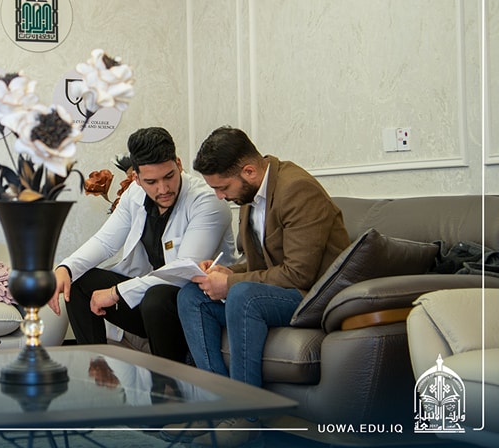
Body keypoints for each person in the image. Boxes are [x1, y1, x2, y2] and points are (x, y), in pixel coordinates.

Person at [176, 126, 349, 446]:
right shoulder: (250, 192)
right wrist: (225, 272)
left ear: (249, 171)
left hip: (314, 296)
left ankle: (247, 415)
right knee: (191, 295)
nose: (220, 196)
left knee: (242, 294)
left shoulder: (298, 189)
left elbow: (299, 275)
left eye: (222, 187)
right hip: (276, 291)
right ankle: (216, 403)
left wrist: (231, 282)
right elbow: (262, 265)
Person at [48, 127, 236, 363]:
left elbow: (184, 270)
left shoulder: (207, 200)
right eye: (151, 181)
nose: (163, 189)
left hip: (194, 301)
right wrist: (65, 268)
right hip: (150, 301)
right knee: (78, 282)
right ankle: (95, 367)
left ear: (179, 164)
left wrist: (116, 293)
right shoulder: (134, 194)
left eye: (169, 176)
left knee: (156, 298)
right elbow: (105, 242)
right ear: (136, 178)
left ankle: (168, 380)